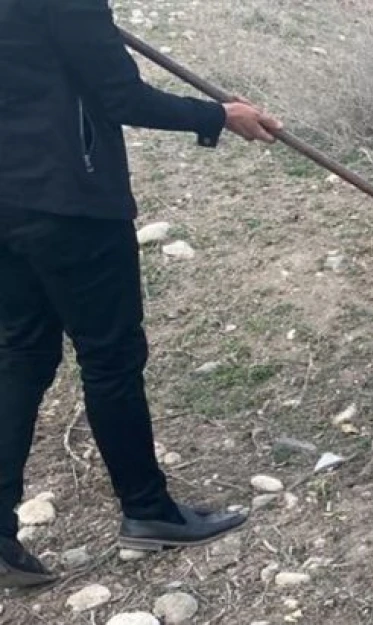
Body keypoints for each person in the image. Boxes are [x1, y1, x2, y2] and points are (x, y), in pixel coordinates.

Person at [0, 0, 283, 587]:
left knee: (23, 355)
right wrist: (218, 115)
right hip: (69, 201)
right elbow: (120, 97)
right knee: (110, 358)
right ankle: (148, 511)